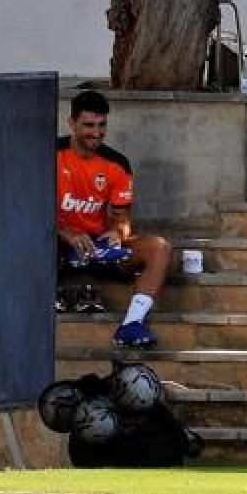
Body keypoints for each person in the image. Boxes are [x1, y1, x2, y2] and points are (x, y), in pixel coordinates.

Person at [57, 91, 172, 348]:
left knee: (159, 248)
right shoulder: (49, 155)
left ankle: (131, 324)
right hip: (57, 244)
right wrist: (68, 233)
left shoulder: (117, 164)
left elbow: (122, 217)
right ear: (71, 123)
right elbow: (27, 213)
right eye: (88, 125)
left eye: (102, 125)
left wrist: (118, 233)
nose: (96, 133)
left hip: (98, 248)